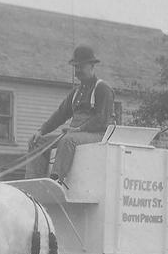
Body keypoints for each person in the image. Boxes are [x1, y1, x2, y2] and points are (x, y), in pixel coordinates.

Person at [26, 45, 115, 185]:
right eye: (75, 67)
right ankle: (33, 183)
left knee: (67, 140)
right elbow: (60, 115)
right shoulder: (76, 92)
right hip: (74, 134)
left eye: (81, 67)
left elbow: (102, 119)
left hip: (98, 135)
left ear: (92, 66)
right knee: (37, 142)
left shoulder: (102, 89)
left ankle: (55, 181)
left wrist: (78, 129)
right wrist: (41, 131)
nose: (77, 71)